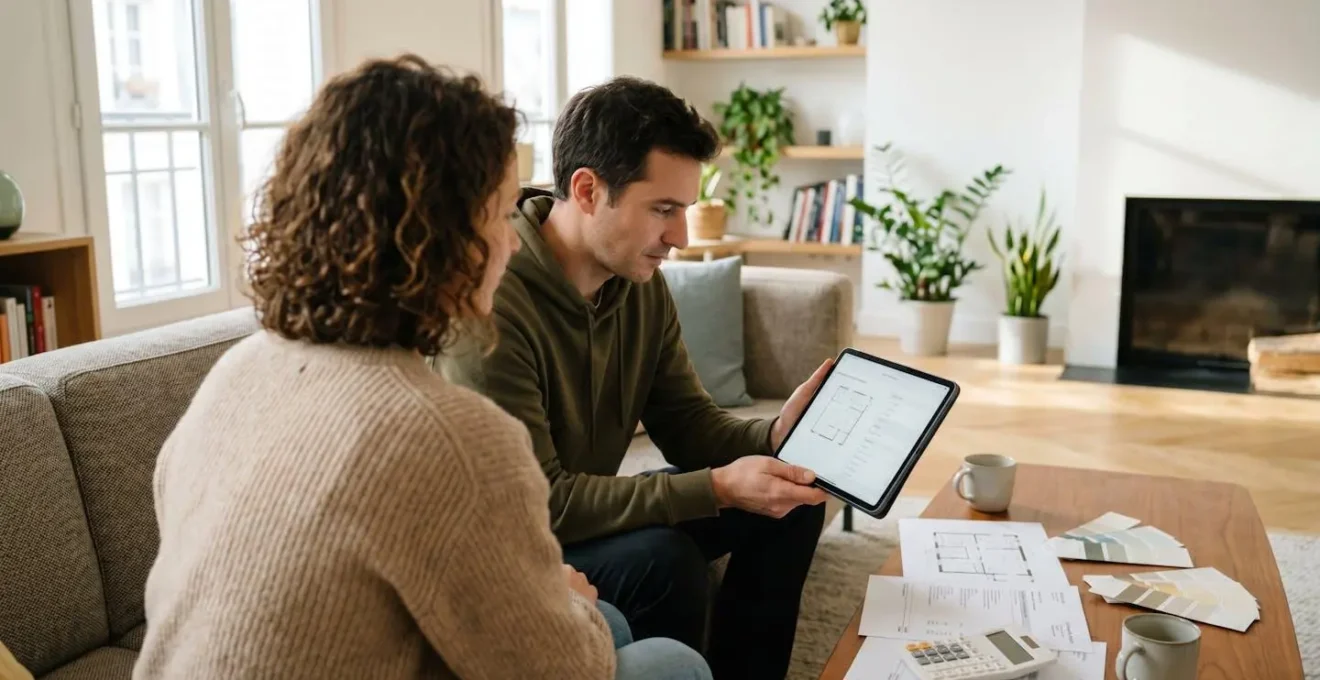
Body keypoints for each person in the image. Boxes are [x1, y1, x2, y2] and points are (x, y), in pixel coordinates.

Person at [134, 55, 711, 680]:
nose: (514, 239)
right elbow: (562, 666)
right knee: (666, 662)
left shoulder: (234, 373)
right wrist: (575, 607)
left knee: (613, 620)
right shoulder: (451, 435)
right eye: (498, 214)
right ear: (438, 237)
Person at [438, 76, 833, 679]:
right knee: (662, 559)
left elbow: (687, 424)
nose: (678, 237)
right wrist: (719, 487)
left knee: (790, 497)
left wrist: (774, 437)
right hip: (512, 542)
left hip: (578, 516)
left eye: (685, 210)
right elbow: (544, 502)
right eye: (663, 210)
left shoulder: (637, 285)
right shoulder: (493, 300)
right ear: (589, 190)